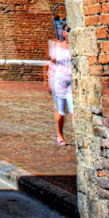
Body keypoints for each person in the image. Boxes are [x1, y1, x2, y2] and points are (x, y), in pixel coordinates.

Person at [46, 15, 73, 147]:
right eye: (67, 30)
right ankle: (60, 134)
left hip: (72, 82)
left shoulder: (74, 48)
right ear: (64, 33)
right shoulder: (57, 46)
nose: (68, 33)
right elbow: (51, 64)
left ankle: (78, 136)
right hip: (59, 81)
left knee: (74, 111)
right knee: (61, 112)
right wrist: (48, 82)